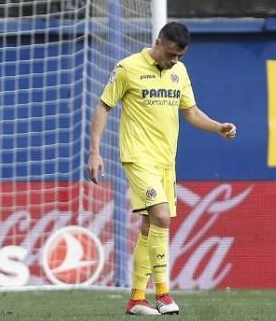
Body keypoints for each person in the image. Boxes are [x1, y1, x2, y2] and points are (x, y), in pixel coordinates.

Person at [87, 22, 237, 316]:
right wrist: (95, 152)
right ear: (158, 42)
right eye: (171, 55)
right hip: (138, 157)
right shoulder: (127, 68)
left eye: (179, 57)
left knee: (149, 226)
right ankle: (164, 294)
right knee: (161, 216)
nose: (174, 61)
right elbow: (103, 107)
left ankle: (136, 299)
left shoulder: (179, 72)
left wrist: (217, 127)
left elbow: (191, 112)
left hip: (166, 161)